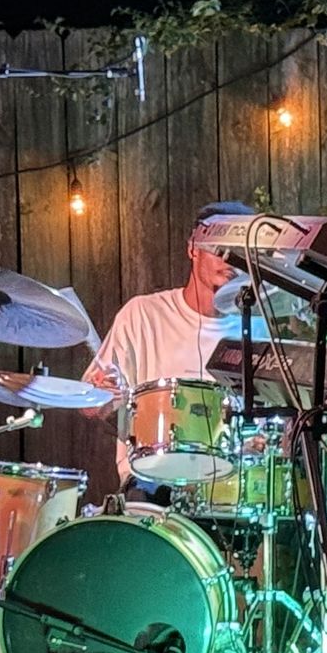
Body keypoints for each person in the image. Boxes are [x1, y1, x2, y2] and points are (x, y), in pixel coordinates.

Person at [83, 200, 268, 499]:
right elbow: (91, 407)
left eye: (239, 252)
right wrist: (103, 394)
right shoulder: (142, 315)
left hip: (234, 488)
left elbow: (270, 428)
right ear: (193, 248)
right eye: (219, 248)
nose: (229, 260)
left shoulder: (258, 329)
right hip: (153, 482)